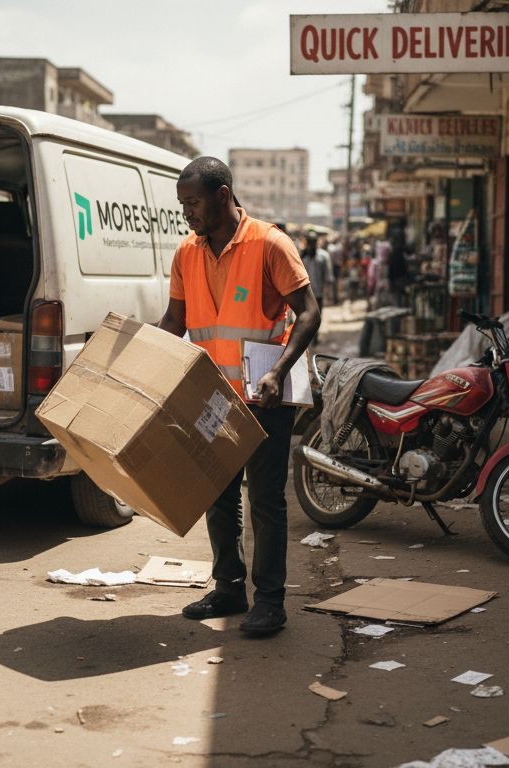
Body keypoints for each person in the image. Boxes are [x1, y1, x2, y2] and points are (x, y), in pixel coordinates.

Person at [158, 156, 320, 637]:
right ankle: (229, 588)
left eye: (193, 202)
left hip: (265, 396)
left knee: (266, 501)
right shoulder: (187, 252)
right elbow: (174, 322)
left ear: (223, 195)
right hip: (215, 399)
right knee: (219, 496)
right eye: (182, 204)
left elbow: (309, 313)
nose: (186, 212)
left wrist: (280, 370)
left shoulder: (270, 243)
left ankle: (271, 601)